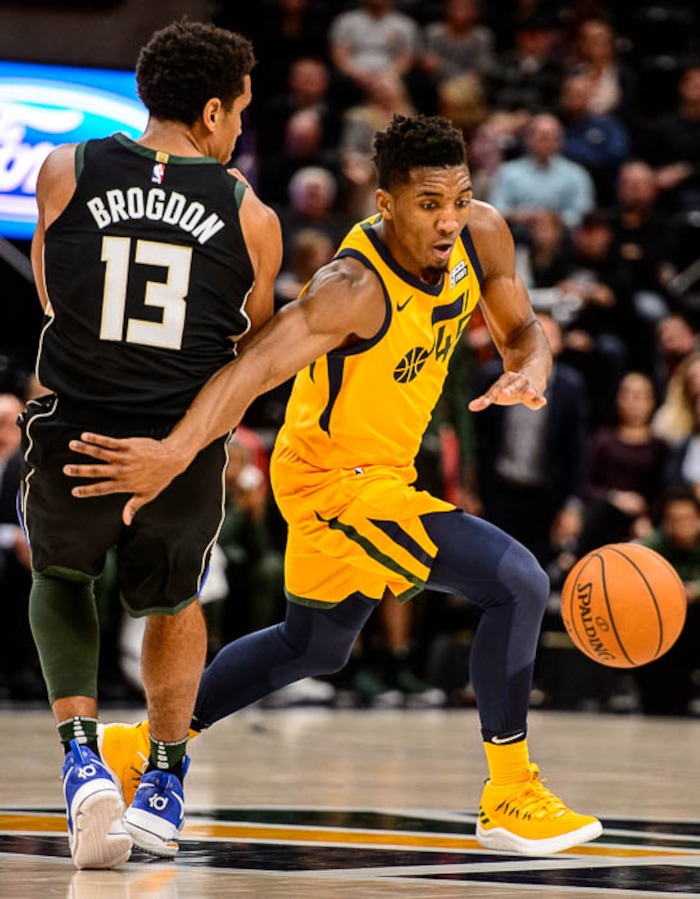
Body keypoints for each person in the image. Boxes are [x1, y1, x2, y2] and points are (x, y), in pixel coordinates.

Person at [65, 113, 602, 856]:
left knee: (312, 645)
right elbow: (252, 371)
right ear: (386, 204)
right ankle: (509, 793)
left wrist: (530, 368)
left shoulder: (482, 234)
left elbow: (520, 327)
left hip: (386, 471)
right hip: (331, 482)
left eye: (458, 198)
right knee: (517, 581)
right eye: (428, 204)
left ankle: (139, 747)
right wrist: (173, 452)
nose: (449, 220)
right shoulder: (350, 288)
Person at [18, 20, 281, 869]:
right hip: (179, 440)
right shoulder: (251, 214)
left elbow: (54, 292)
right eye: (240, 110)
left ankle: (83, 759)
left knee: (60, 576)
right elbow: (252, 350)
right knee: (173, 601)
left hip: (78, 426)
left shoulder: (66, 168)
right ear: (212, 112)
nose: (239, 127)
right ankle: (163, 779)